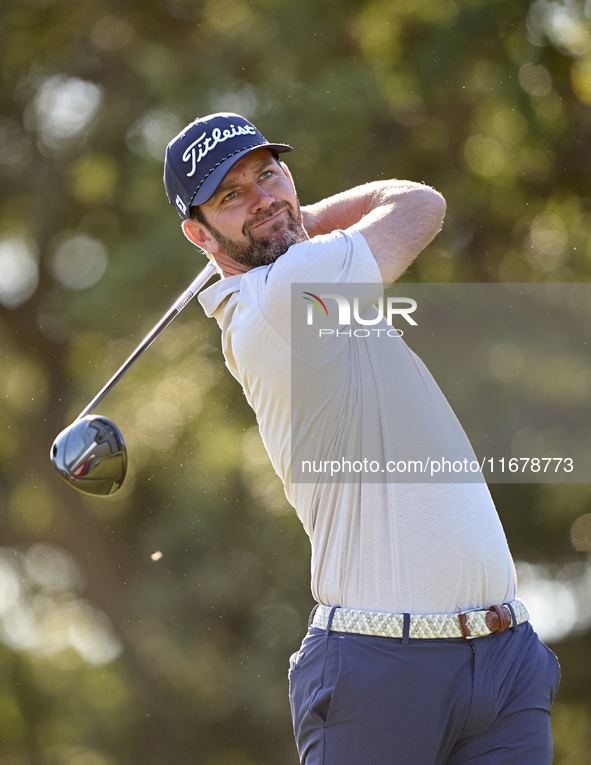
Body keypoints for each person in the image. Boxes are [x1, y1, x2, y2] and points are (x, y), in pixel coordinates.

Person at [163, 112, 560, 764]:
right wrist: (302, 217)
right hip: (384, 667)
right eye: (230, 196)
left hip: (503, 652)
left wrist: (282, 218)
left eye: (267, 175)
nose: (262, 198)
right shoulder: (283, 294)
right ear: (197, 234)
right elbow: (417, 206)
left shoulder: (303, 280)